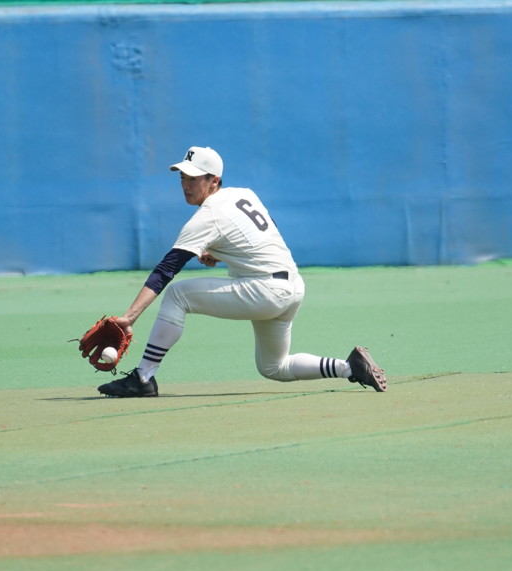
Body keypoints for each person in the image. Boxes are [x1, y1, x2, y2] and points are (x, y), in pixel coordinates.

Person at [98, 145, 387, 399]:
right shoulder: (243, 194)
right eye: (183, 176)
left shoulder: (208, 215)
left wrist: (130, 317)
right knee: (274, 367)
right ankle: (350, 367)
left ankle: (143, 377)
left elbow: (166, 269)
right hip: (292, 287)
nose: (186, 184)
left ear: (214, 181)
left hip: (265, 291)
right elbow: (264, 233)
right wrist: (223, 254)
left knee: (176, 295)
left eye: (195, 178)